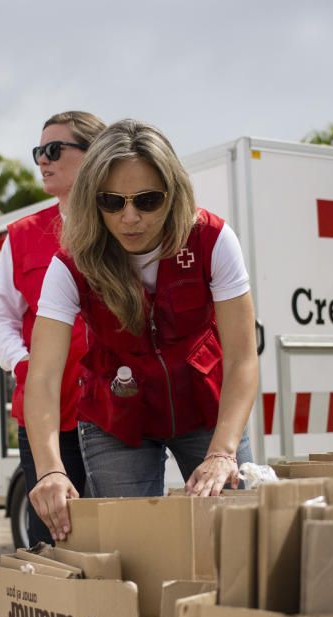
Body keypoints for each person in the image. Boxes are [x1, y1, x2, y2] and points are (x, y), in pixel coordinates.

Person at [25, 119, 257, 542]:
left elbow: (243, 358)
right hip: (117, 418)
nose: (130, 218)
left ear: (173, 194)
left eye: (147, 200)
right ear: (92, 200)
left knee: (236, 540)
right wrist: (50, 470)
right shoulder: (71, 263)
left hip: (206, 410)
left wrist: (223, 453)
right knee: (133, 549)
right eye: (112, 202)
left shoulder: (212, 239)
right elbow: (41, 377)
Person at [0, 111, 106, 546]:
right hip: (48, 416)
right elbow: (0, 319)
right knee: (53, 539)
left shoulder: (123, 226)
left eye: (54, 150)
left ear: (93, 155)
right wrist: (24, 365)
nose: (43, 160)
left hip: (114, 412)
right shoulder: (20, 236)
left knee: (116, 536)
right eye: (39, 151)